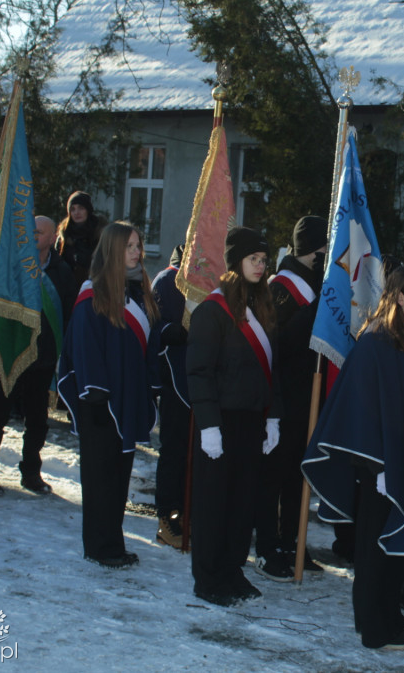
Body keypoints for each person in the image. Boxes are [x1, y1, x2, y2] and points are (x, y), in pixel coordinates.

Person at [302, 265, 404, 650]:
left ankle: (391, 615)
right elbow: (360, 409)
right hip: (382, 469)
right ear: (400, 297)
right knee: (376, 548)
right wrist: (378, 464)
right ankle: (373, 626)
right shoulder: (376, 343)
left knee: (399, 545)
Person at [187, 226, 282, 606]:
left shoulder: (263, 306)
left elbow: (271, 369)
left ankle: (232, 570)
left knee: (244, 502)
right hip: (220, 421)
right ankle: (208, 578)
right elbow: (199, 371)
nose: (260, 266)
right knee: (214, 502)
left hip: (252, 420)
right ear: (235, 263)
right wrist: (209, 425)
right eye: (253, 259)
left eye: (263, 260)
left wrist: (273, 415)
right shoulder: (212, 311)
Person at [58, 221, 160, 568]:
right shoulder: (93, 294)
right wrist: (95, 391)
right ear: (113, 250)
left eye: (138, 245)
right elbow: (84, 347)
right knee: (100, 478)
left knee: (119, 476)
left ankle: (113, 542)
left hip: (126, 399)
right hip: (99, 402)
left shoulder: (138, 291)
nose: (137, 252)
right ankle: (99, 546)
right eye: (130, 246)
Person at [0, 215, 75, 496]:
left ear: (53, 236)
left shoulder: (61, 271)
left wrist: (61, 355)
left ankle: (31, 472)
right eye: (29, 231)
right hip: (9, 355)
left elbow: (67, 314)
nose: (32, 236)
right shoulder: (11, 266)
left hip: (41, 359)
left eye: (39, 232)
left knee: (37, 420)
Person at [255, 215, 327, 581]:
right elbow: (276, 344)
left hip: (308, 396)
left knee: (299, 477)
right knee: (274, 476)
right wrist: (316, 312)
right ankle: (267, 547)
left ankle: (292, 541)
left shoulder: (317, 284)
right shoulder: (283, 287)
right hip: (282, 396)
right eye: (323, 249)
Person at [150, 244, 190, 549]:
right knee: (174, 450)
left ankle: (192, 515)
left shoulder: (217, 278)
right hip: (175, 380)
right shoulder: (166, 280)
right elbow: (153, 325)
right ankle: (167, 517)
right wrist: (169, 330)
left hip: (207, 381)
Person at [56, 190, 106, 294]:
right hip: (67, 288)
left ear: (88, 210)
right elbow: (57, 263)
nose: (76, 213)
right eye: (73, 209)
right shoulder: (64, 235)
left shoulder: (100, 233)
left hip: (93, 288)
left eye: (81, 208)